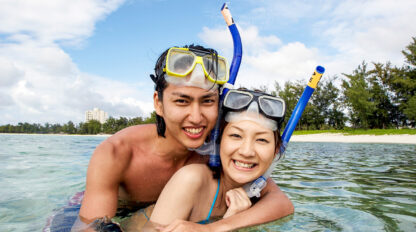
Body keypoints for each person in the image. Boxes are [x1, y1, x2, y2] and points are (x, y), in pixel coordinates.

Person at [73, 45, 294, 231]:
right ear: (158, 103)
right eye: (182, 101)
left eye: (207, 101)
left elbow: (278, 200)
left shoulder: (218, 151)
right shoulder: (117, 152)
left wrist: (223, 225)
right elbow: (92, 227)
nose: (196, 117)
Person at [143, 88, 292, 231]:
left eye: (261, 140)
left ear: (276, 151)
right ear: (218, 141)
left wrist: (220, 226)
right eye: (236, 136)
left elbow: (284, 204)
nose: (247, 152)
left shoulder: (260, 186)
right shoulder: (191, 179)